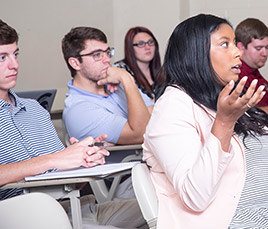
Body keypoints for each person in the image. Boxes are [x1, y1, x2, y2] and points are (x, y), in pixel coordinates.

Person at [142, 13, 268, 228]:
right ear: (196, 53)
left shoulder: (229, 100)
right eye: (225, 44)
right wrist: (223, 123)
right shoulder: (173, 106)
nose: (238, 52)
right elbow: (195, 196)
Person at [0, 19, 145, 228]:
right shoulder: (78, 107)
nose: (14, 64)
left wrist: (83, 160)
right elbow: (53, 162)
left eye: (15, 54)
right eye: (2, 57)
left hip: (78, 207)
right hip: (27, 215)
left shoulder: (34, 109)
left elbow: (67, 179)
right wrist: (54, 160)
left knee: (167, 206)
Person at [62, 26, 151, 145]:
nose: (107, 60)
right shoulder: (78, 110)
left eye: (107, 52)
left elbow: (158, 114)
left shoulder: (115, 83)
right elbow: (142, 134)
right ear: (75, 63)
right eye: (97, 55)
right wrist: (127, 79)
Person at [235, 18, 268, 117]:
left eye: (267, 47)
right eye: (258, 48)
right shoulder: (236, 77)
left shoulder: (258, 77)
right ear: (241, 47)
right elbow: (243, 114)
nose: (265, 53)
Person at [114, 26, 161, 109]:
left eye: (150, 42)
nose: (147, 47)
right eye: (140, 44)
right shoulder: (120, 70)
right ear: (130, 48)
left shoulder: (163, 73)